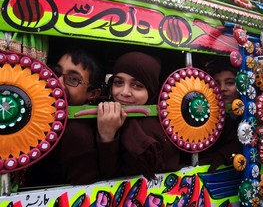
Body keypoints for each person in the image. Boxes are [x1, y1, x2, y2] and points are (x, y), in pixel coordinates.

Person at [25, 48, 114, 186]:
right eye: (56, 72)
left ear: (93, 94)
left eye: (73, 79)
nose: (58, 82)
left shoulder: (76, 132)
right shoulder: (45, 114)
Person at [97, 51, 190, 180]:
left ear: (151, 89)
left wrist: (107, 137)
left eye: (137, 85)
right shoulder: (100, 112)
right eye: (118, 83)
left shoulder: (164, 126)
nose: (124, 92)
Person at [198, 59, 243, 172]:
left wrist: (224, 154)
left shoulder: (249, 116)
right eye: (216, 83)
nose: (222, 88)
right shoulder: (204, 114)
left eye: (229, 82)